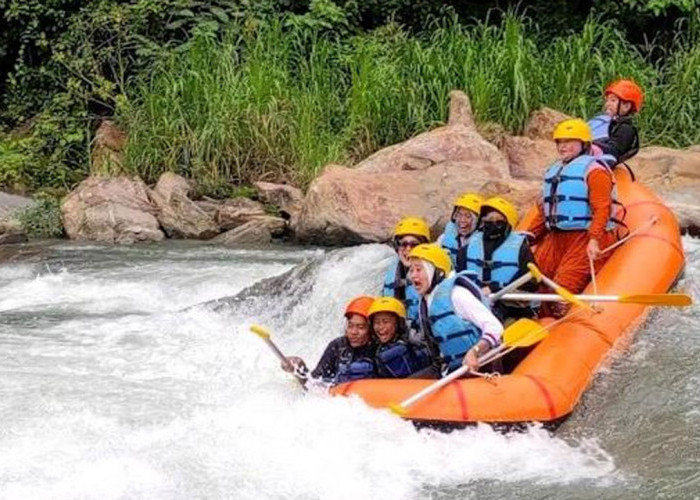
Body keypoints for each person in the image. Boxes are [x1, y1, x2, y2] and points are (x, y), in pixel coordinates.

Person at [526, 118, 621, 318]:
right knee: (534, 284)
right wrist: (526, 238)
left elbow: (602, 208)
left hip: (586, 236)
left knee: (562, 290)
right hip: (556, 238)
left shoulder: (595, 171)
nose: (563, 146)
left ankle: (564, 327)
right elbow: (544, 213)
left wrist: (594, 239)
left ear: (584, 144)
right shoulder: (554, 171)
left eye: (569, 141)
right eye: (560, 142)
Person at [407, 244, 504, 378]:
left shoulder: (457, 294)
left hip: (480, 367)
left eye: (419, 269)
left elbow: (495, 327)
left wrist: (474, 352)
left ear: (437, 272)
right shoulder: (426, 301)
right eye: (411, 270)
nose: (413, 276)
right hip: (452, 370)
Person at [461, 196, 538, 321]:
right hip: (476, 305)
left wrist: (495, 288)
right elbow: (460, 277)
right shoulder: (468, 249)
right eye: (489, 220)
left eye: (498, 220)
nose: (493, 224)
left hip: (510, 308)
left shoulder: (521, 249)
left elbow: (530, 283)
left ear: (508, 224)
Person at [283, 296, 376, 384]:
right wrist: (299, 368)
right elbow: (314, 382)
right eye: (350, 326)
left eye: (360, 327)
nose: (353, 332)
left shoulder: (378, 349)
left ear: (371, 329)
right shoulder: (337, 346)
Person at [382, 217, 431, 330]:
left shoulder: (433, 274)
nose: (408, 249)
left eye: (414, 245)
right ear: (396, 247)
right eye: (403, 244)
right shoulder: (393, 271)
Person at [368, 297, 432, 378]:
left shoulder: (402, 349)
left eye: (385, 322)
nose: (380, 327)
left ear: (399, 323)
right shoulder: (377, 347)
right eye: (376, 322)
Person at [587, 79, 643, 166]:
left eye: (613, 101)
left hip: (610, 169)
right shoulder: (613, 124)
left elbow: (614, 151)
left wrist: (589, 144)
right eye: (607, 100)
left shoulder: (626, 129)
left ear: (626, 106)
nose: (607, 104)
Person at [437, 193, 484, 271]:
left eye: (468, 216)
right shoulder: (443, 239)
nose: (462, 220)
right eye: (459, 215)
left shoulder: (485, 244)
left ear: (480, 222)